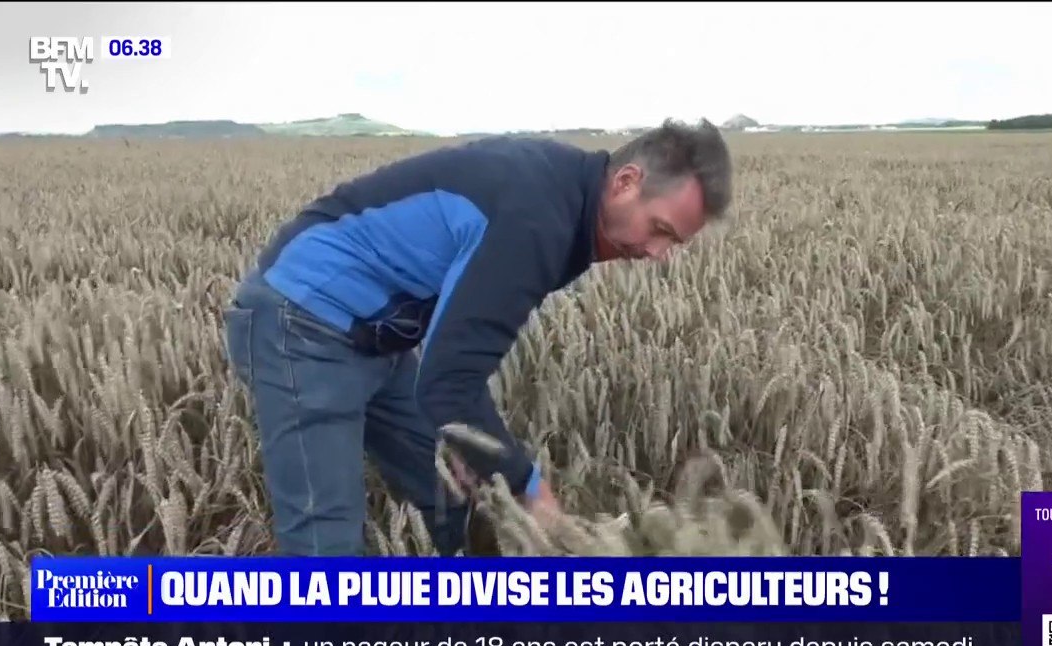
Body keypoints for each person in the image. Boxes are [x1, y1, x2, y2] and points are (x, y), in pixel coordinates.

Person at [221, 119, 734, 556]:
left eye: (675, 242)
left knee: (450, 495)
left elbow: (452, 374)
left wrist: (483, 455)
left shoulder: (566, 198)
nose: (662, 253)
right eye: (661, 229)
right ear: (626, 181)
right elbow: (448, 383)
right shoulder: (538, 218)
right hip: (301, 320)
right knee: (324, 543)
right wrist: (530, 488)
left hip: (378, 334)